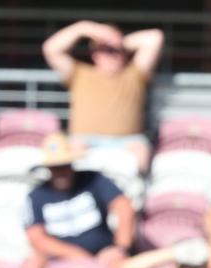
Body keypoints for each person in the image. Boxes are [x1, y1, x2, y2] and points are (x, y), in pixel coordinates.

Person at [41, 20, 164, 171]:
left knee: (142, 151)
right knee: (68, 154)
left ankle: (137, 193)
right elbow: (51, 49)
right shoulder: (79, 72)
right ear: (94, 54)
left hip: (128, 141)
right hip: (84, 140)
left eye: (114, 50)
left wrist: (117, 41)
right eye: (105, 49)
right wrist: (84, 28)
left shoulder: (135, 73)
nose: (111, 54)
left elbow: (154, 38)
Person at [21, 132, 135, 268]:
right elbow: (36, 237)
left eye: (64, 166)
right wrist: (76, 255)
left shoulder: (93, 179)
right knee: (32, 267)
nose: (61, 172)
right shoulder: (36, 196)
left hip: (102, 252)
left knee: (122, 267)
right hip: (58, 256)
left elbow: (123, 207)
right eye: (55, 168)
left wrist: (120, 247)